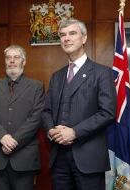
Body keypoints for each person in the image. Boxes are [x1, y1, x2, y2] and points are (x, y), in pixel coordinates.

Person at [41, 18, 117, 190]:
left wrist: (75, 132)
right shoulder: (57, 76)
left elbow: (107, 112)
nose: (66, 38)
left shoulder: (102, 73)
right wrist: (51, 130)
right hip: (58, 157)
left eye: (72, 33)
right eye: (62, 35)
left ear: (84, 38)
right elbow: (46, 111)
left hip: (88, 158)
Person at [0, 44, 45, 190]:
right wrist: (2, 137)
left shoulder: (36, 87)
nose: (12, 61)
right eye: (8, 57)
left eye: (16, 57)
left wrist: (14, 141)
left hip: (24, 158)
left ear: (24, 62)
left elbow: (36, 118)